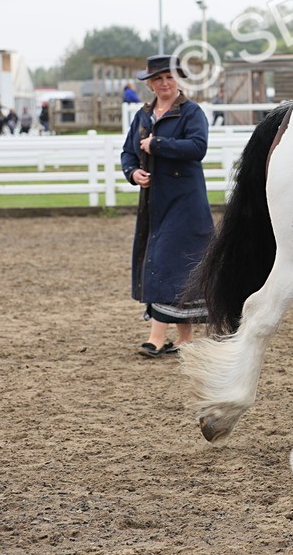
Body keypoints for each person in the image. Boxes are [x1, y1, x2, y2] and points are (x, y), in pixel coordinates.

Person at [121, 54, 214, 358]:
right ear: (149, 83)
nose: (164, 84)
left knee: (165, 263)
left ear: (178, 80)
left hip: (185, 202)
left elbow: (197, 148)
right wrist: (133, 173)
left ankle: (156, 338)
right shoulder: (142, 116)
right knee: (175, 266)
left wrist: (157, 144)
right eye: (158, 79)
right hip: (154, 202)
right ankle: (185, 338)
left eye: (169, 78)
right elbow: (127, 154)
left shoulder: (191, 112)